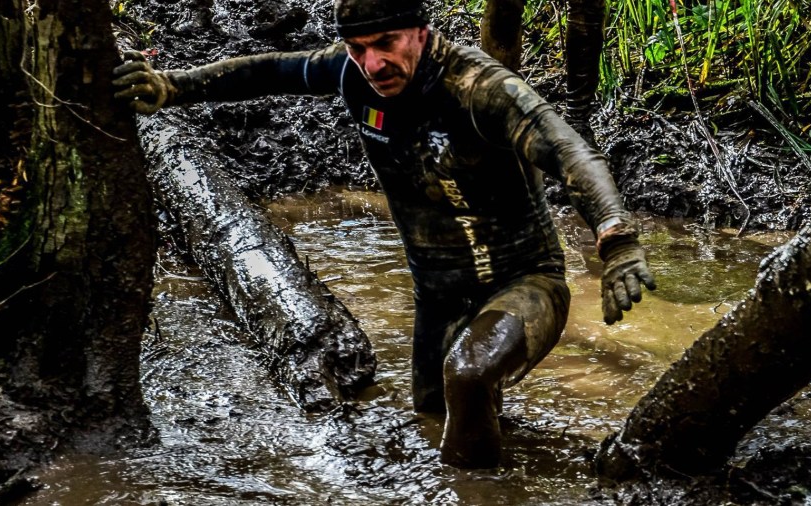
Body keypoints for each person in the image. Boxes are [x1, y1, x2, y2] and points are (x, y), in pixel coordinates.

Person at [113, 0, 655, 469]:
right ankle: (490, 479)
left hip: (525, 283)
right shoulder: (350, 72)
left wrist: (618, 241)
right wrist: (170, 86)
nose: (373, 63)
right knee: (433, 415)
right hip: (438, 295)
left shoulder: (479, 88)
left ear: (421, 32)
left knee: (467, 374)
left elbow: (569, 151)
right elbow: (269, 72)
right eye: (357, 47)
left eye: (386, 43)